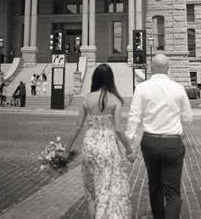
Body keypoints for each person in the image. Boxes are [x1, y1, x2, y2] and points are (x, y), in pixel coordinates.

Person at [126, 54, 193, 219]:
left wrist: (130, 143)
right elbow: (188, 118)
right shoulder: (178, 88)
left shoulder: (142, 88)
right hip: (172, 142)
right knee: (172, 191)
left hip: (150, 141)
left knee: (154, 185)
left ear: (150, 67)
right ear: (168, 67)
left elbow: (134, 117)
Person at [65, 64, 135, 218]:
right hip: (107, 145)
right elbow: (118, 128)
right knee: (108, 187)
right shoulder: (115, 99)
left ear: (95, 79)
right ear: (110, 79)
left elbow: (77, 127)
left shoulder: (87, 98)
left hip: (89, 145)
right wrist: (129, 149)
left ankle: (95, 213)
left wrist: (65, 150)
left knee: (92, 188)